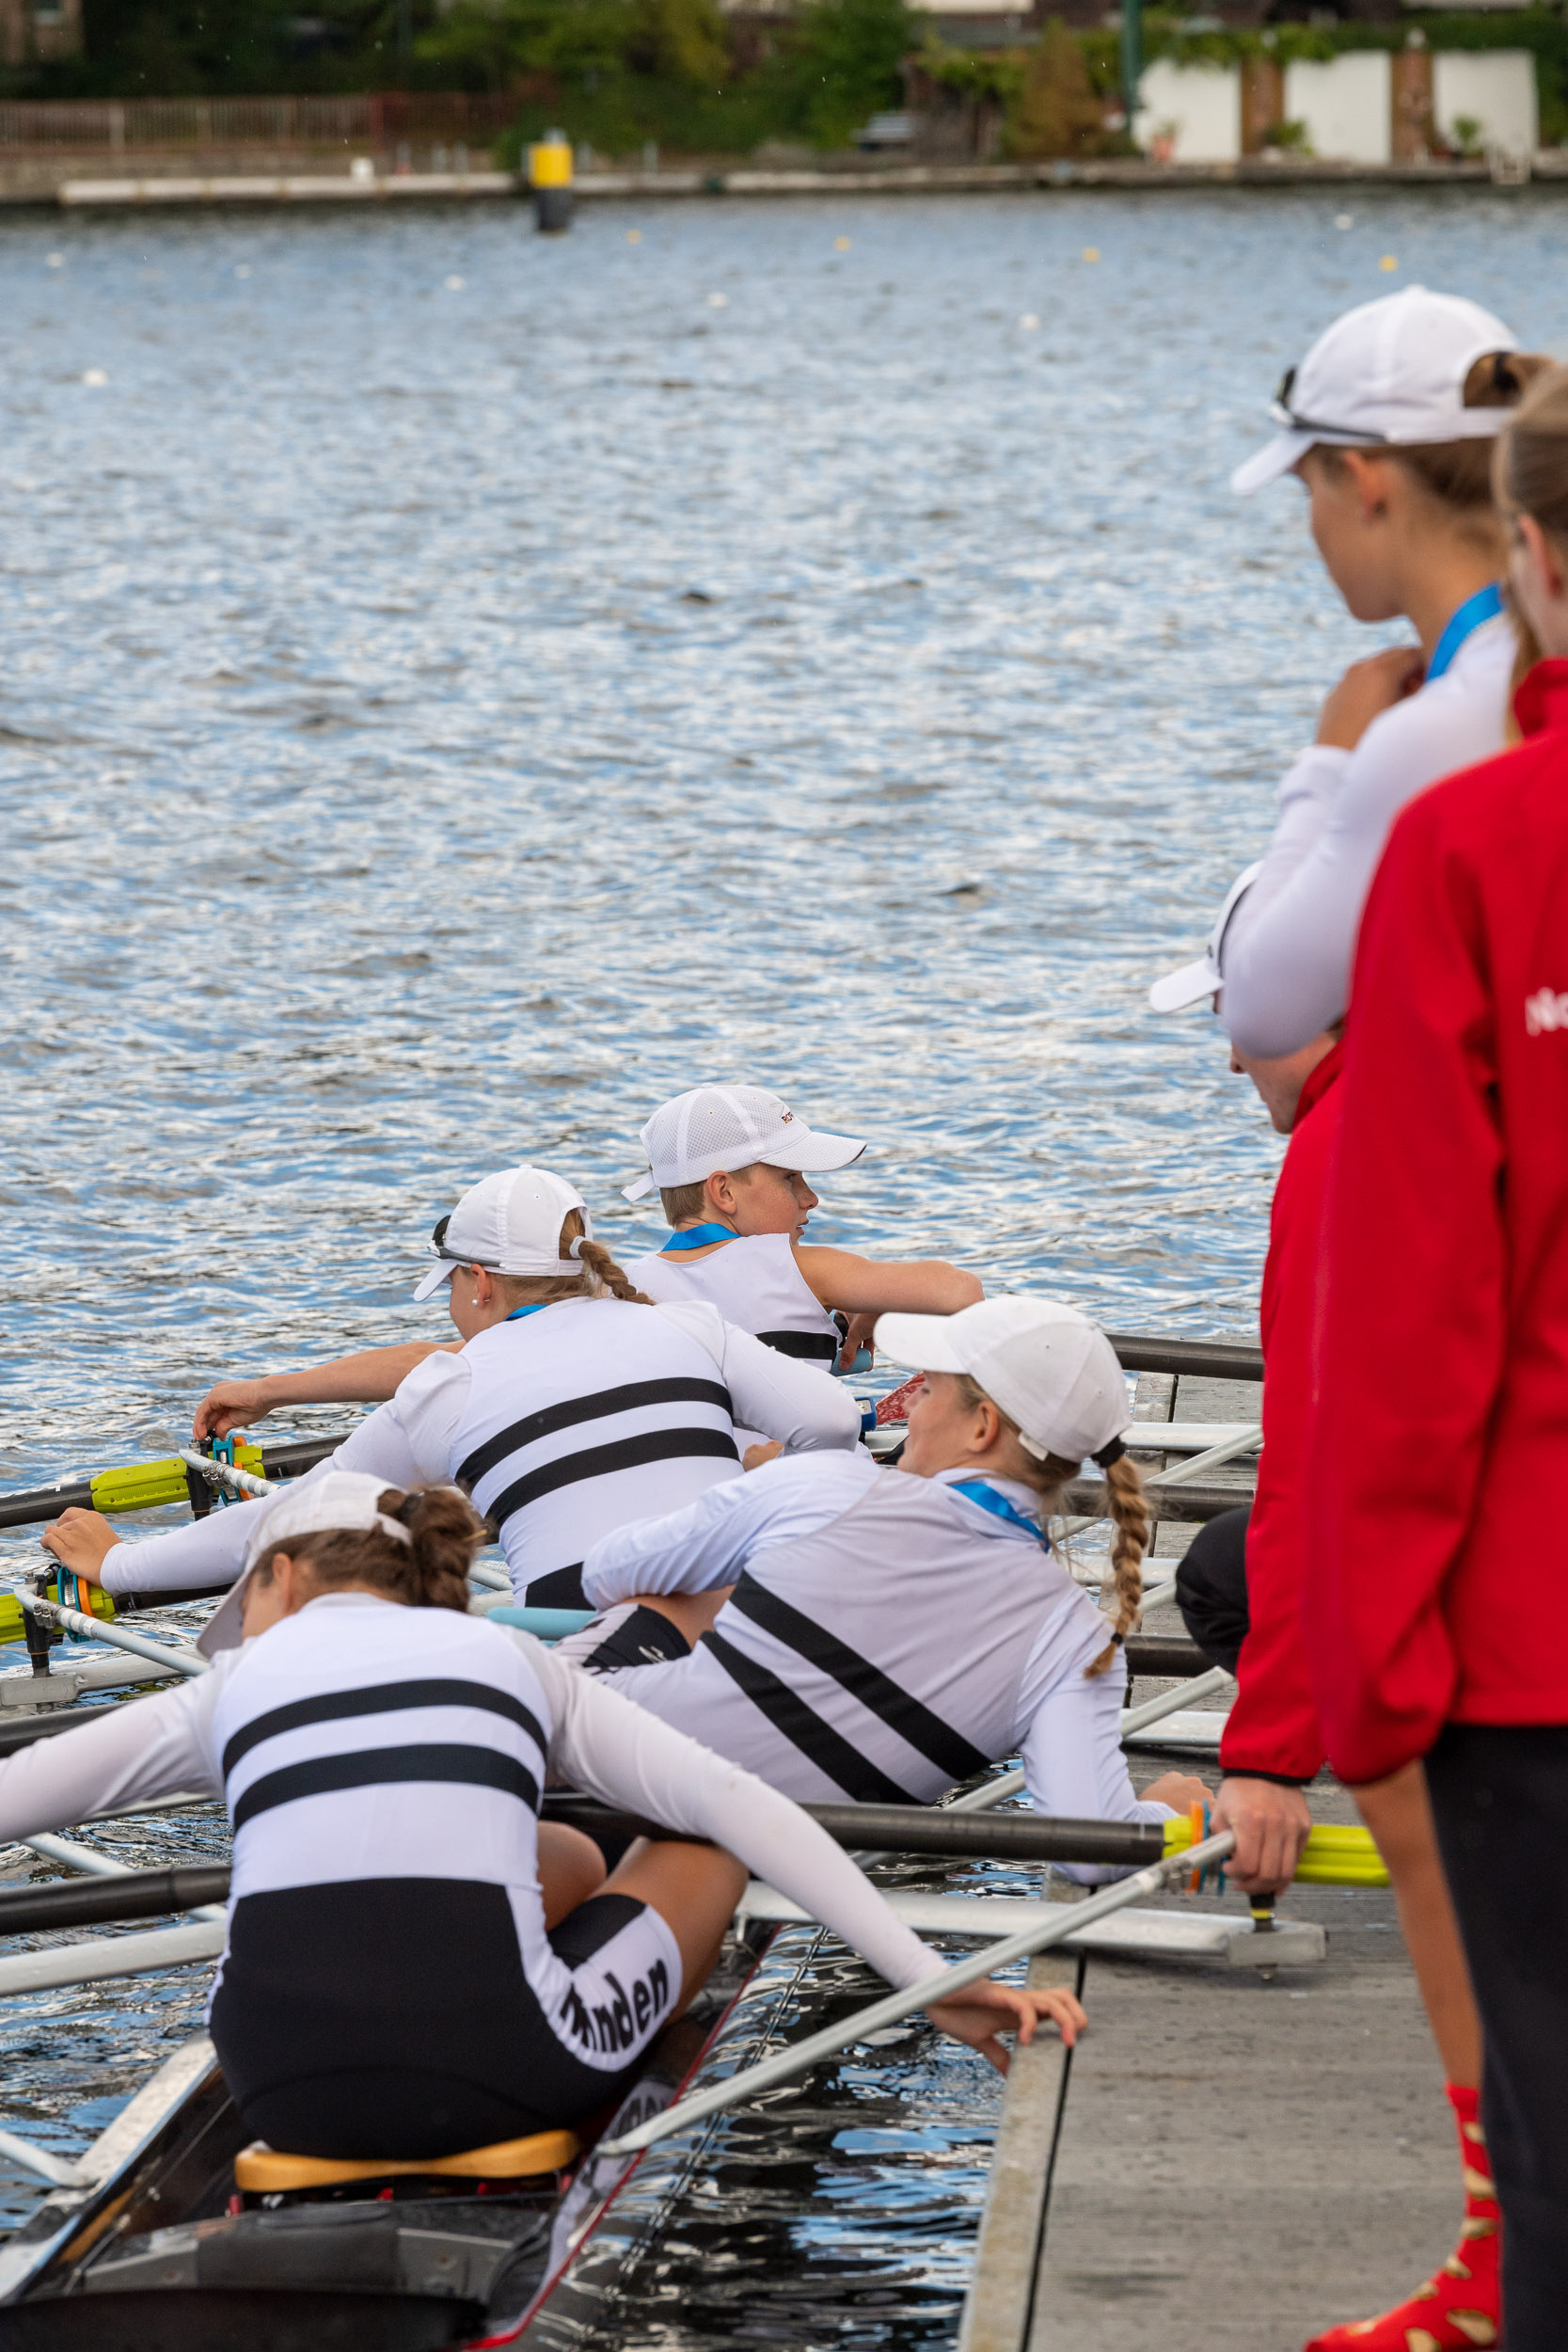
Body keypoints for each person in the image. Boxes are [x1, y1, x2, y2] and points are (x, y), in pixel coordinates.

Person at [3, 1471, 1085, 2160]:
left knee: (556, 1847)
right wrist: (934, 1984)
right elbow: (741, 1803)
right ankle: (612, 2029)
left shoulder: (219, 1692)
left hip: (275, 2087)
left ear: (280, 1574)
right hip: (506, 2074)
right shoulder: (508, 1657)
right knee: (694, 1839)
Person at [1307, 367, 1568, 2352]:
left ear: (1533, 557)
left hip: (1531, 1633)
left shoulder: (1472, 837)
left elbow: (1415, 1306)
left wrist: (1359, 1653)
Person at [1152, 882, 1496, 2352]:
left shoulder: (1346, 1148)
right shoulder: (1487, 1083)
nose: (1231, 1062)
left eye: (1237, 1025)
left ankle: (1496, 2267)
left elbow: (1315, 1470)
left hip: (1501, 1613)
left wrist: (1268, 1753)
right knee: (1224, 1568)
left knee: (1491, 1947)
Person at [554, 1298, 1209, 1872]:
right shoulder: (1078, 1641)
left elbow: (605, 1573)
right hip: (761, 1857)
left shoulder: (827, 1482)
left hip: (573, 1764)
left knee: (682, 1587)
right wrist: (1165, 1815)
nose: (911, 1409)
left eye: (927, 1392)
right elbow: (1087, 1851)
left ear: (980, 1427)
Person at [43, 1167, 862, 1612]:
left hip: (581, 1643)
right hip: (748, 1607)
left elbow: (292, 1522)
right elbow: (829, 1419)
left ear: (477, 1281)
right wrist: (750, 1465)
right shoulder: (687, 1327)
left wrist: (120, 1563)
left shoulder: (448, 1384)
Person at [1220, 285, 1549, 1062]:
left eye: (1306, 488)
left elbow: (1261, 1008)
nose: (1309, 524)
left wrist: (1330, 758)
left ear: (1364, 485)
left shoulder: (1440, 726)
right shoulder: (1524, 658)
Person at [619, 1085, 982, 1371]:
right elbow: (962, 1291)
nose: (810, 1198)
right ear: (724, 1192)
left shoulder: (622, 1286)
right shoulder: (801, 1270)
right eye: (790, 1178)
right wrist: (875, 1310)